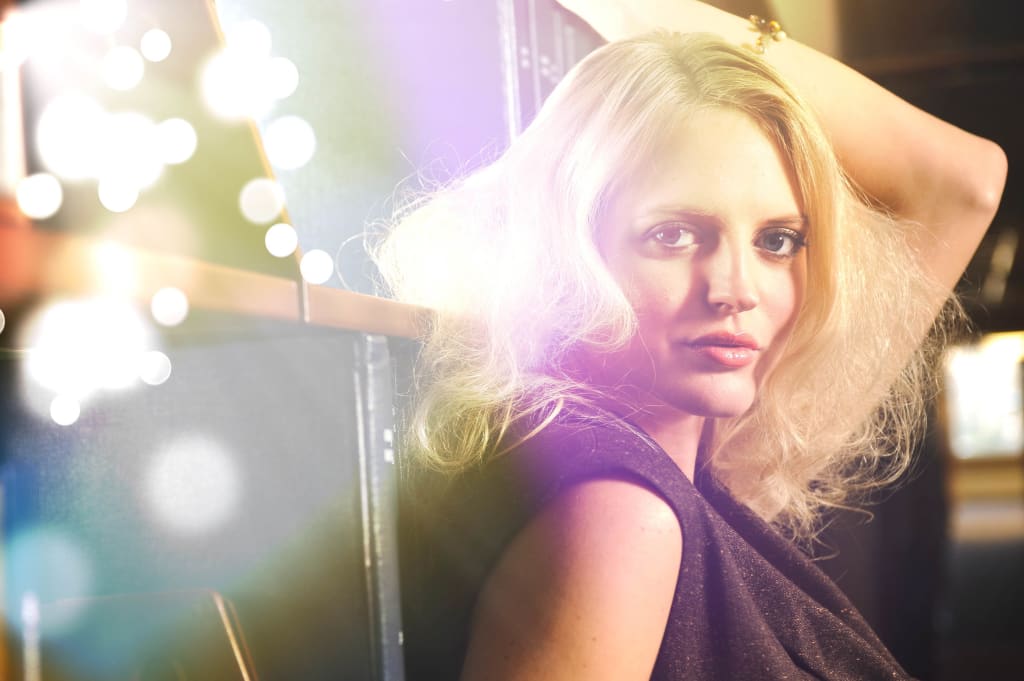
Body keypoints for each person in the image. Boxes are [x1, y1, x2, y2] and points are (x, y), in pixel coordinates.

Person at [374, 2, 1006, 679]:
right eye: (672, 234)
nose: (736, 289)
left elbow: (968, 182)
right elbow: (964, 182)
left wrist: (643, 21)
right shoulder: (623, 515)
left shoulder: (689, 467)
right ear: (566, 246)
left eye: (777, 241)